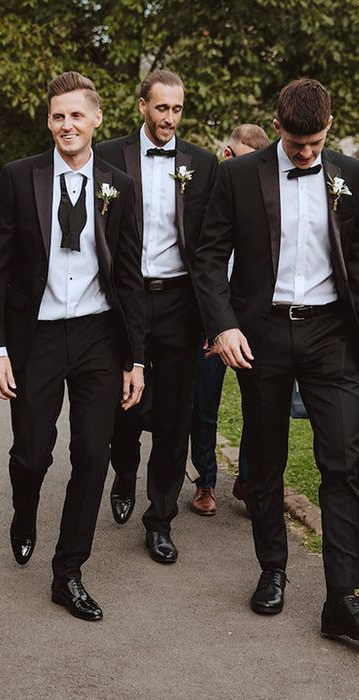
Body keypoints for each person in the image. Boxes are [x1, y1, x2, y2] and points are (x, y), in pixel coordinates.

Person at [194, 79, 359, 641]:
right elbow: (209, 256)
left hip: (331, 336)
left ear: (329, 127)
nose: (306, 153)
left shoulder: (351, 177)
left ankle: (341, 596)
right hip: (260, 335)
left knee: (343, 461)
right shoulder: (238, 175)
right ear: (277, 125)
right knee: (265, 461)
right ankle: (273, 571)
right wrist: (223, 325)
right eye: (295, 143)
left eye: (314, 144)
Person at [0, 72, 145, 620]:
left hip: (98, 335)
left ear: (97, 119)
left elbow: (130, 276)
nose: (66, 125)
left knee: (93, 455)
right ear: (48, 121)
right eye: (57, 116)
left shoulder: (119, 183)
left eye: (76, 115)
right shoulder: (18, 178)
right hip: (38, 336)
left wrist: (134, 357)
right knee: (31, 452)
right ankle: (24, 512)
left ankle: (67, 571)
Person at [93, 70, 217, 564]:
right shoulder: (106, 156)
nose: (170, 118)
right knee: (121, 402)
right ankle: (124, 468)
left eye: (177, 110)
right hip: (124, 298)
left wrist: (213, 317)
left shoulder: (203, 164)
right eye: (161, 108)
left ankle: (160, 518)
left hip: (180, 302)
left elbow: (209, 245)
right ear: (142, 105)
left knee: (176, 413)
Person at [189, 124, 270, 516]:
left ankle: (248, 480)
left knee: (259, 406)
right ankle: (205, 482)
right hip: (211, 323)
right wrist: (210, 325)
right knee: (204, 404)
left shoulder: (265, 201)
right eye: (237, 159)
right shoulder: (207, 198)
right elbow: (203, 267)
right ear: (226, 154)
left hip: (253, 324)